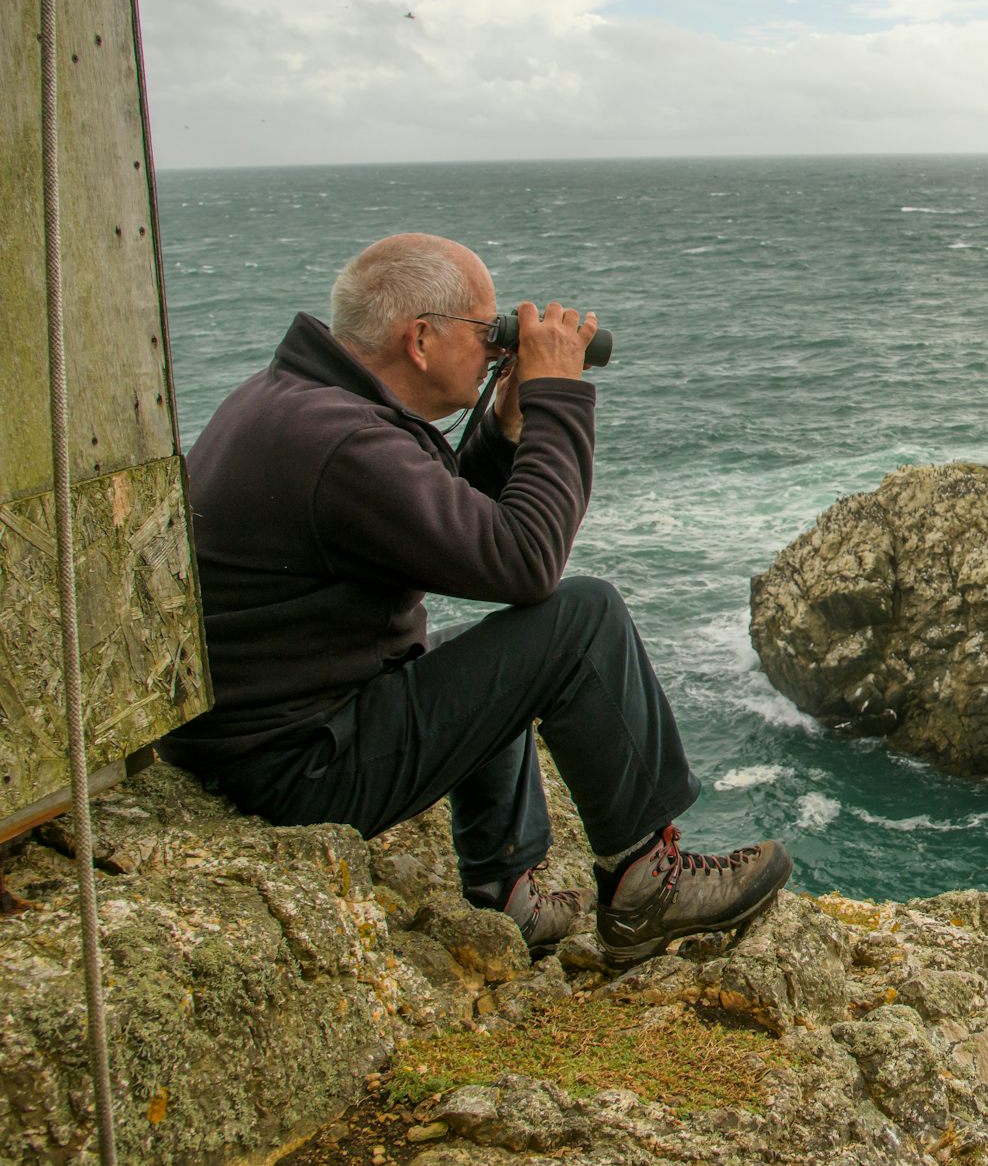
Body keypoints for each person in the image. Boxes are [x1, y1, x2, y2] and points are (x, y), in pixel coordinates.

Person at [158, 233, 790, 961]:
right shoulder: (341, 442)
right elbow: (525, 564)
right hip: (296, 771)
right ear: (420, 339)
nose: (498, 350)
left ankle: (507, 895)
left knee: (487, 653)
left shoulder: (306, 405)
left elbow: (437, 523)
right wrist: (559, 398)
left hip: (266, 742)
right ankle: (646, 885)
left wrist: (506, 426)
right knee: (581, 618)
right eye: (486, 332)